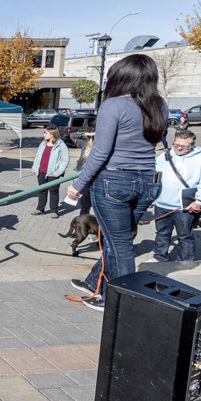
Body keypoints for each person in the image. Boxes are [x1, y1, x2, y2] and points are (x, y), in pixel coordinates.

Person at [66, 54, 167, 311]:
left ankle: (119, 302)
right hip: (147, 180)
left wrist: (79, 185)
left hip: (114, 181)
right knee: (116, 239)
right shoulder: (159, 105)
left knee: (119, 245)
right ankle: (94, 281)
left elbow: (99, 152)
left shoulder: (113, 106)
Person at [147, 129, 201, 262]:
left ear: (192, 145)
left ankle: (185, 261)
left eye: (183, 146)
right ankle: (160, 257)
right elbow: (153, 177)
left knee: (185, 236)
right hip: (161, 205)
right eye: (176, 144)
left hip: (184, 207)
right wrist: (151, 197)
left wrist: (199, 201)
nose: (178, 148)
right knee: (162, 234)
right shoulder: (164, 156)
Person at [31, 126, 68, 218]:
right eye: (44, 132)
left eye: (46, 133)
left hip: (53, 173)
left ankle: (53, 210)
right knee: (42, 190)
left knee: (53, 191)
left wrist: (59, 171)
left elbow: (65, 160)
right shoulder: (43, 144)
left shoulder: (61, 145)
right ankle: (40, 209)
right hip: (41, 171)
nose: (44, 134)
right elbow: (38, 156)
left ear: (52, 134)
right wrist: (35, 167)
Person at [71, 129, 95, 215]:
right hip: (81, 172)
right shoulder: (85, 144)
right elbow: (72, 135)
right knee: (84, 200)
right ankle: (84, 218)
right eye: (93, 137)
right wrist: (86, 133)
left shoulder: (102, 148)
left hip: (94, 176)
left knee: (91, 198)